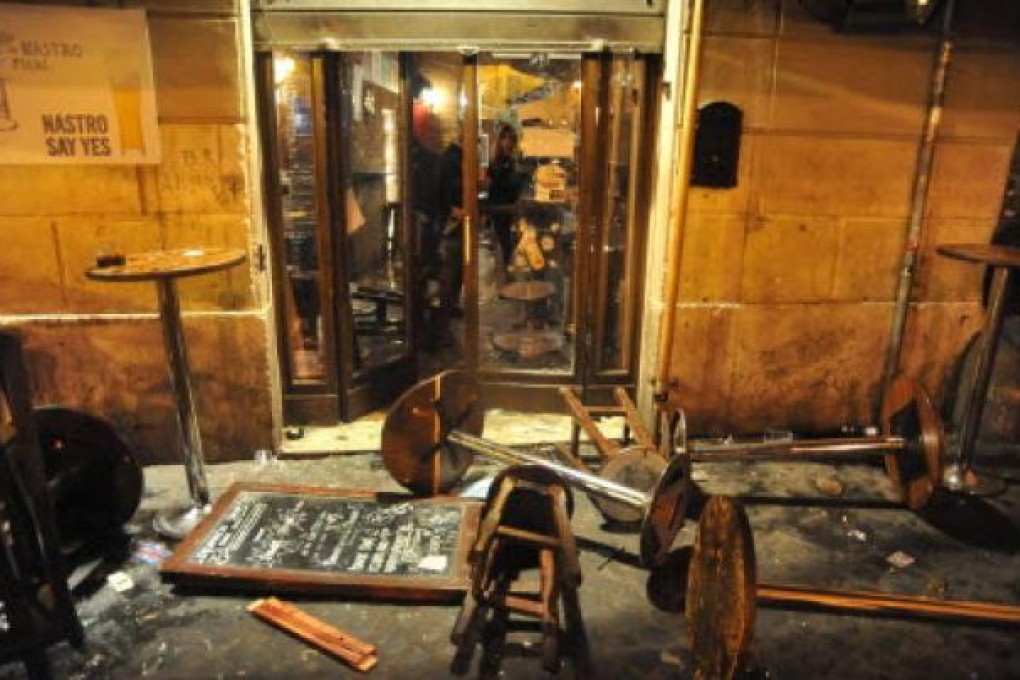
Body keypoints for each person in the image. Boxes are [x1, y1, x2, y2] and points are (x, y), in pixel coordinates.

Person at [485, 124, 525, 267]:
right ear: (500, 140)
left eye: (510, 138)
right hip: (500, 208)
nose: (507, 142)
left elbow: (518, 185)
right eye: (504, 138)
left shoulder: (516, 161)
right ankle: (506, 275)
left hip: (513, 208)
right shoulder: (496, 162)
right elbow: (491, 185)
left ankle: (508, 271)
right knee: (505, 245)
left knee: (513, 244)